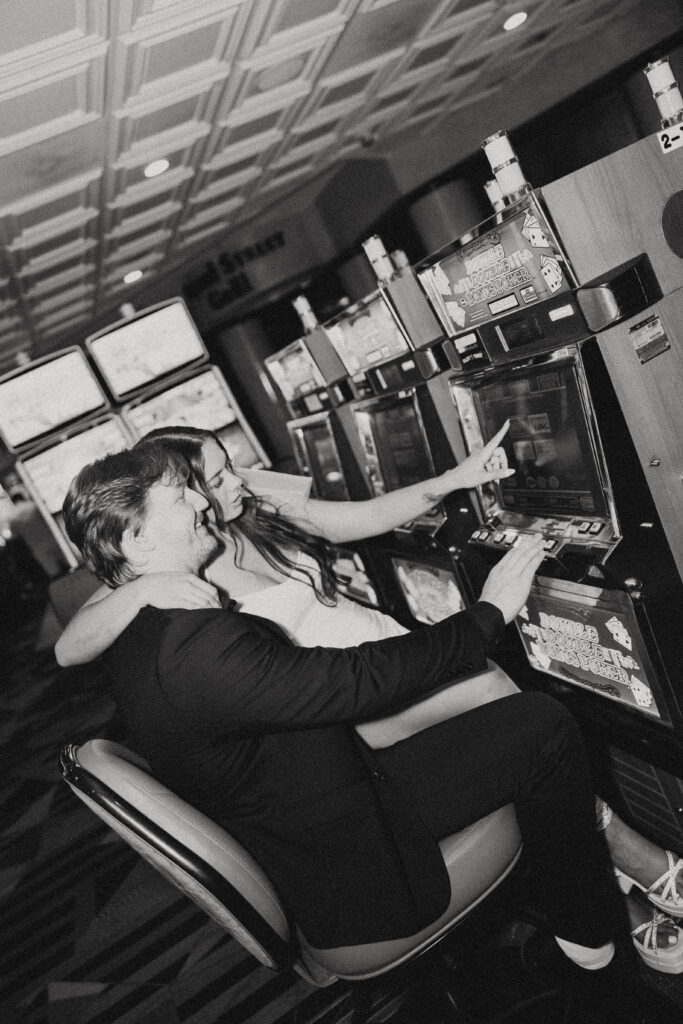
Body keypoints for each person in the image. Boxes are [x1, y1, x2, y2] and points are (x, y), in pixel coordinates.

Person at [61, 442, 665, 1022]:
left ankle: (583, 901)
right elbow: (357, 682)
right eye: (180, 498)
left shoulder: (147, 624)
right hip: (363, 872)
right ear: (135, 539)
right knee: (542, 726)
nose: (201, 504)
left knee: (534, 722)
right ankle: (594, 946)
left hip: (334, 802)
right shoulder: (195, 649)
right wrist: (489, 612)